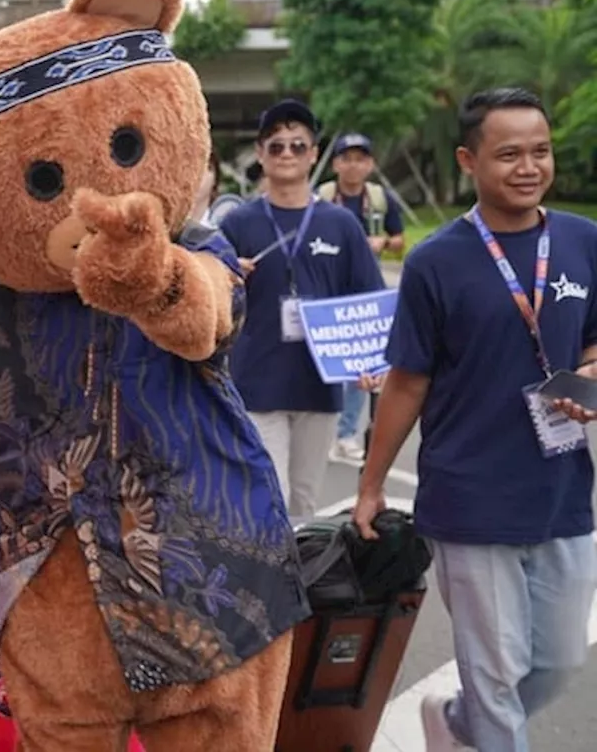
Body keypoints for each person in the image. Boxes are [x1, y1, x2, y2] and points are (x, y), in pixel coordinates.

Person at [352, 88, 597, 752]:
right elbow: (407, 383)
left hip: (563, 492)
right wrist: (372, 485)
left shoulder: (582, 241)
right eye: (509, 153)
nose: (528, 166)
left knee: (557, 663)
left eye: (540, 151)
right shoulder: (437, 261)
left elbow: (593, 343)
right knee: (494, 680)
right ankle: (479, 726)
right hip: (469, 496)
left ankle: (454, 725)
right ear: (469, 160)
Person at [219, 99, 384, 517]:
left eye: (298, 146)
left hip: (319, 383)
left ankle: (305, 582)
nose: (287, 154)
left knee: (305, 502)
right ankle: (271, 581)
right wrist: (226, 272)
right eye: (276, 147)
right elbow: (208, 295)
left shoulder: (341, 224)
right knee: (268, 495)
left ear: (314, 154)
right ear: (260, 154)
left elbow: (368, 300)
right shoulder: (238, 224)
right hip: (257, 381)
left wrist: (372, 362)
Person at [318, 132, 407, 461]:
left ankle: (345, 434)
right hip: (329, 288)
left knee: (361, 366)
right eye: (347, 158)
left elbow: (399, 241)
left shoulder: (381, 199)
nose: (353, 165)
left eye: (360, 158)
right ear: (335, 164)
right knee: (326, 362)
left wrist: (381, 243)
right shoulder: (323, 197)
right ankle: (326, 428)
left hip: (367, 292)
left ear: (370, 164)